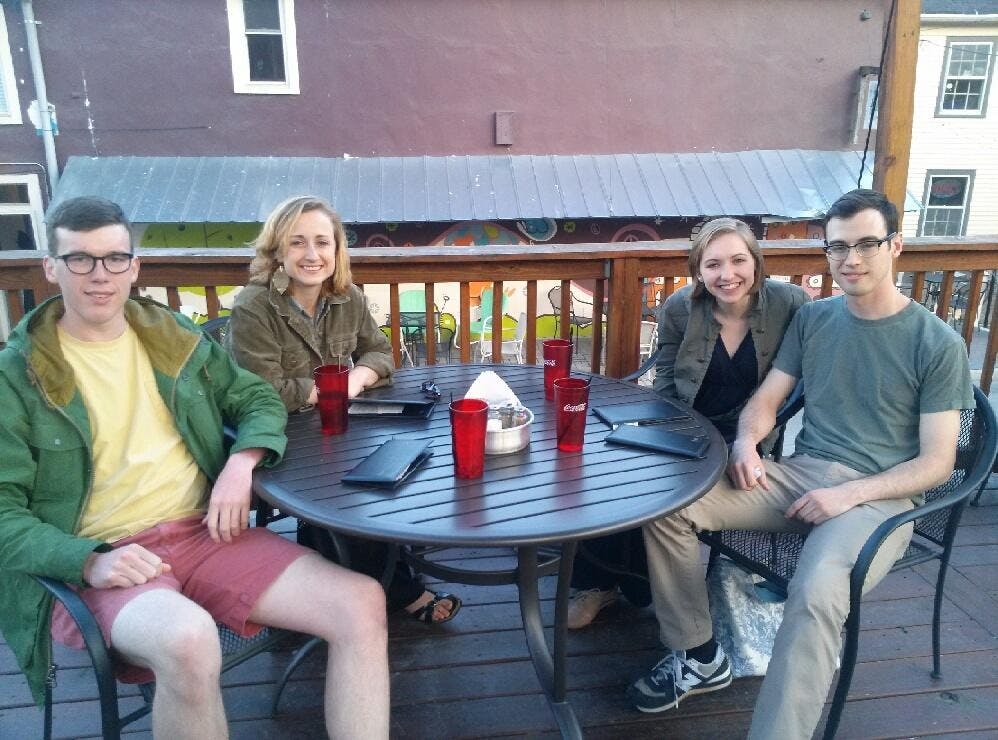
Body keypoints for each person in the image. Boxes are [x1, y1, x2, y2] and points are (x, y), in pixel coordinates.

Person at [0, 196, 389, 739]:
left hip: (206, 533)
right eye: (79, 259)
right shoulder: (17, 376)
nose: (99, 275)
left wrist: (241, 461)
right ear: (51, 267)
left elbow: (255, 398)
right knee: (188, 640)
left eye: (114, 258)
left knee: (361, 602)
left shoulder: (170, 336)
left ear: (134, 267)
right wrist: (86, 560)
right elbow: (4, 517)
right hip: (105, 557)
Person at [628, 190, 974, 739]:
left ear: (896, 246)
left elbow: (937, 463)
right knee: (669, 506)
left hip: (879, 501)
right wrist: (745, 444)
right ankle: (699, 654)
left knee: (814, 597)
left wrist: (849, 495)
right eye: (838, 247)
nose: (851, 259)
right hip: (802, 475)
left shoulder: (937, 342)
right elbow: (766, 401)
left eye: (866, 244)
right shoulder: (815, 318)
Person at [226, 195, 461, 624]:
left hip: (338, 427)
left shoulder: (347, 297)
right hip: (277, 433)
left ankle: (351, 572)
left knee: (403, 458)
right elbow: (262, 393)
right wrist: (326, 390)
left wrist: (355, 380)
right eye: (297, 243)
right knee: (350, 486)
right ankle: (398, 587)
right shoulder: (254, 307)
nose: (312, 255)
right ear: (277, 250)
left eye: (322, 242)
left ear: (337, 250)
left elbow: (379, 353)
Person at [567, 218, 809, 629]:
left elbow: (807, 372)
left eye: (738, 261)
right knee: (612, 470)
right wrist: (658, 427)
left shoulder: (791, 303)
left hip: (747, 437)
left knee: (659, 491)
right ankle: (598, 583)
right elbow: (664, 374)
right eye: (713, 265)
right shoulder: (681, 306)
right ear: (698, 269)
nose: (726, 275)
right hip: (686, 423)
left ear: (756, 262)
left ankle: (636, 584)